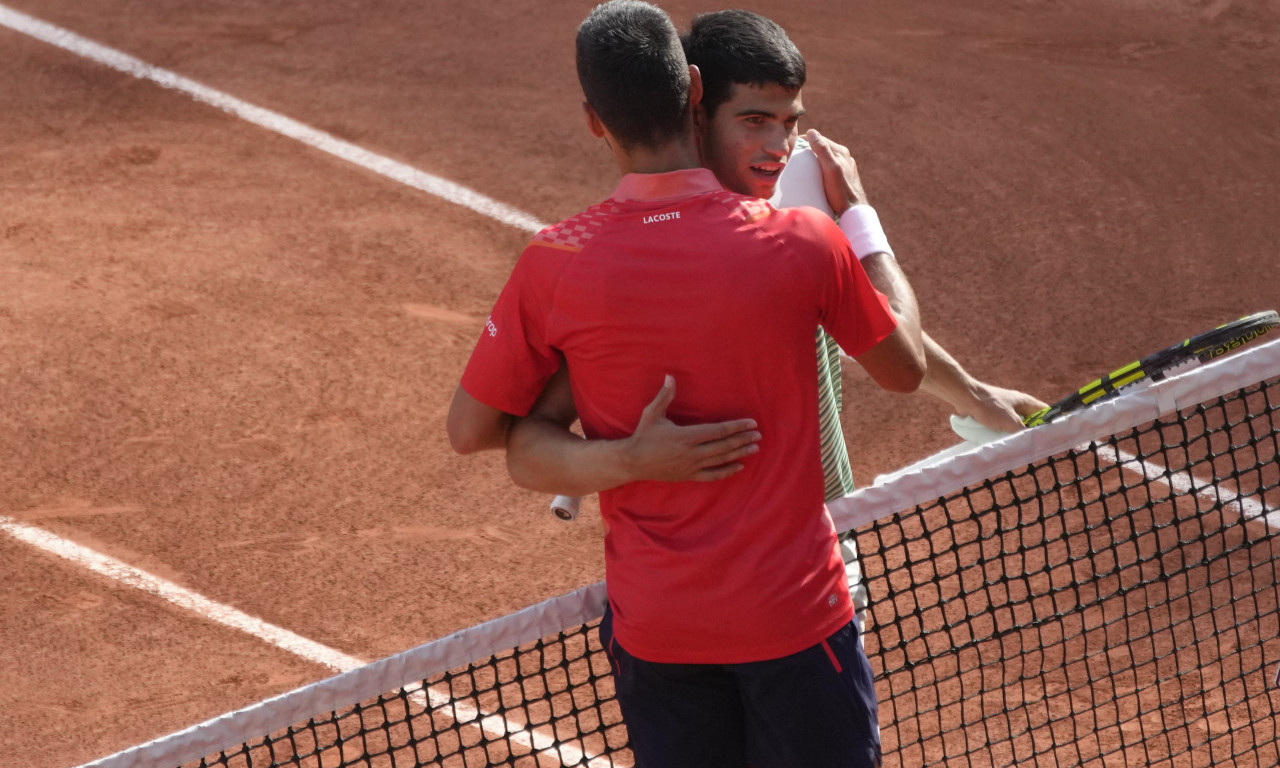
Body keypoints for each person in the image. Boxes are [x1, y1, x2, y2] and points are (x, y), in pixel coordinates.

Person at [446, 1, 925, 764]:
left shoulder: (555, 264)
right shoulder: (802, 242)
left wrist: (628, 459)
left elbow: (478, 434)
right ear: (696, 91)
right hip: (796, 624)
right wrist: (861, 220)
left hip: (661, 638)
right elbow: (907, 368)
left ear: (592, 120)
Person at [522, 8, 1048, 622]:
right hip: (708, 563)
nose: (778, 147)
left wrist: (974, 396)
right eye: (753, 122)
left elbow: (875, 327)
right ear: (695, 108)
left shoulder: (795, 195)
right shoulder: (647, 249)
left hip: (815, 538)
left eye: (787, 123)